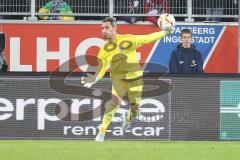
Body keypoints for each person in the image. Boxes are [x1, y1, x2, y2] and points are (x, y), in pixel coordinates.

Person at [81, 17, 173, 142]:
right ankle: (101, 134)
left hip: (135, 78)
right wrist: (95, 78)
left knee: (135, 109)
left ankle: (129, 118)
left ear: (114, 28)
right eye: (102, 28)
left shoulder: (127, 39)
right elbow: (101, 67)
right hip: (118, 79)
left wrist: (165, 32)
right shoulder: (103, 50)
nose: (103, 31)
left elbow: (146, 39)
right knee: (114, 103)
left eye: (106, 28)